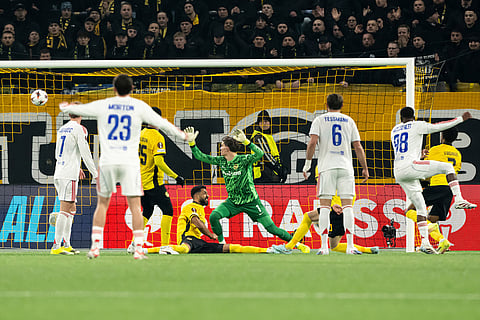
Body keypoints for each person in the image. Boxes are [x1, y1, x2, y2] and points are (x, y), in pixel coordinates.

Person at [59, 74, 189, 260]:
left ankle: (95, 247)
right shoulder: (139, 107)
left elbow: (81, 109)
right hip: (129, 162)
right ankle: (139, 249)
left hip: (108, 161)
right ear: (132, 89)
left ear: (113, 88)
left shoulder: (104, 104)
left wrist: (66, 106)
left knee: (103, 205)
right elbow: (163, 124)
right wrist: (183, 136)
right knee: (137, 207)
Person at [183, 126, 309, 253]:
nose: (220, 148)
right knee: (214, 216)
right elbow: (200, 156)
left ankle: (297, 244)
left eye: (221, 146)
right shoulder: (221, 161)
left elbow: (260, 154)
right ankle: (222, 244)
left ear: (227, 148)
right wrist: (192, 143)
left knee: (271, 228)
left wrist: (246, 142)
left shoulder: (244, 160)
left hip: (251, 202)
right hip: (233, 202)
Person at [391, 107, 476, 254]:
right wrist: (460, 119)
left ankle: (425, 242)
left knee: (421, 208)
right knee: (448, 167)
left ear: (401, 118)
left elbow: (405, 151)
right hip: (412, 167)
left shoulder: (394, 130)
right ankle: (459, 199)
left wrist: (419, 156)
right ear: (414, 116)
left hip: (398, 172)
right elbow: (439, 126)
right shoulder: (417, 125)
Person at [301, 93, 369, 255]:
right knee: (348, 207)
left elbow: (312, 143)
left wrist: (307, 165)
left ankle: (324, 247)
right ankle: (351, 247)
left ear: (326, 105)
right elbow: (358, 147)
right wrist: (364, 167)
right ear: (342, 105)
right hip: (346, 168)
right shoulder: (349, 120)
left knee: (324, 208)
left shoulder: (319, 120)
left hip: (327, 168)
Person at [126, 107, 185, 253]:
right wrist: (176, 176)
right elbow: (159, 162)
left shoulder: (141, 134)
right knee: (168, 210)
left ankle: (134, 244)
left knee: (147, 211)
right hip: (153, 183)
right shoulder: (157, 136)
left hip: (141, 182)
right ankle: (165, 246)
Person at [148, 185, 270, 254]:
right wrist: (211, 235)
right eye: (205, 193)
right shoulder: (190, 207)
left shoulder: (200, 209)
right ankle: (149, 250)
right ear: (197, 195)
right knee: (184, 249)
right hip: (188, 238)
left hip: (199, 242)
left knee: (229, 248)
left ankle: (267, 250)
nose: (208, 196)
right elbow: (197, 223)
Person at [404, 127, 462, 253]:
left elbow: (424, 169)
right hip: (449, 189)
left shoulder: (434, 150)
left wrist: (421, 156)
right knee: (430, 220)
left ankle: (430, 235)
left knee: (410, 210)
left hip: (436, 186)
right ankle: (442, 241)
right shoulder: (457, 154)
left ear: (442, 137)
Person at [49, 112, 98, 255]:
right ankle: (56, 246)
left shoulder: (62, 128)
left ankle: (67, 244)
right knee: (65, 209)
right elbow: (85, 152)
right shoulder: (79, 129)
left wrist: (78, 168)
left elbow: (59, 153)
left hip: (60, 172)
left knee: (71, 209)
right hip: (68, 175)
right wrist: (95, 174)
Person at [271, 195, 379, 255]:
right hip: (344, 211)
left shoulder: (323, 167)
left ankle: (288, 247)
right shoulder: (347, 173)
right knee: (334, 246)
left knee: (307, 217)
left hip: (333, 209)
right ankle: (368, 250)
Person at [251, 110, 288, 183]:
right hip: (262, 174)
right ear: (258, 124)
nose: (264, 124)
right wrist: (279, 168)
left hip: (270, 172)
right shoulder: (258, 137)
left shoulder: (268, 136)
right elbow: (266, 155)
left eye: (266, 121)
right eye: (261, 122)